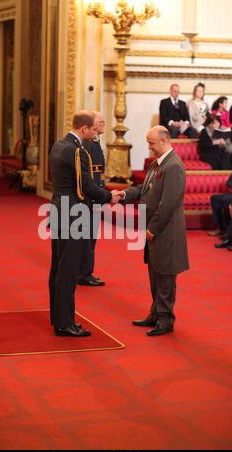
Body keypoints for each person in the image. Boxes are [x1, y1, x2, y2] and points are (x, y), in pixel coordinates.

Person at [48, 110, 119, 337]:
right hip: (73, 214)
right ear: (84, 128)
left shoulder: (59, 145)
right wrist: (110, 197)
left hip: (59, 209)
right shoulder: (76, 151)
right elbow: (86, 186)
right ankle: (65, 323)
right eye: (93, 128)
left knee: (58, 268)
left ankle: (59, 318)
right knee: (68, 271)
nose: (94, 132)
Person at [116, 126, 189, 336]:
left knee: (165, 275)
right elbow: (144, 190)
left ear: (164, 141)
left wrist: (152, 228)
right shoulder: (157, 164)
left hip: (165, 230)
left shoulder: (173, 166)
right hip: (155, 230)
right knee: (155, 273)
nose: (149, 147)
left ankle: (166, 320)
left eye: (151, 143)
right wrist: (123, 194)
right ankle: (155, 314)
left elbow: (168, 203)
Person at [78, 111, 106, 287]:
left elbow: (100, 168)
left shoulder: (95, 142)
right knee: (87, 237)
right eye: (100, 121)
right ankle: (83, 273)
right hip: (90, 196)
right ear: (91, 124)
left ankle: (86, 270)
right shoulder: (87, 145)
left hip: (96, 194)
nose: (103, 123)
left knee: (91, 237)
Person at [208, 144, 232, 238]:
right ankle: (221, 228)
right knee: (215, 198)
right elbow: (229, 182)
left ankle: (229, 231)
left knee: (226, 200)